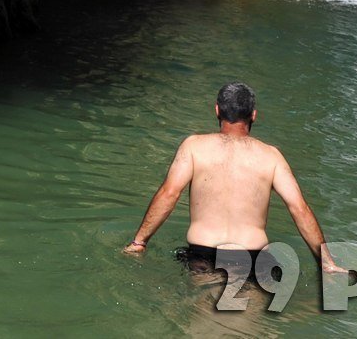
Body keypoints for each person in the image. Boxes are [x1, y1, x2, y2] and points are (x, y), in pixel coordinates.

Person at [123, 82, 342, 276]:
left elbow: (169, 194)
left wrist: (139, 242)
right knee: (250, 320)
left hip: (203, 256)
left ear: (217, 110)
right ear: (253, 115)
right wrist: (327, 263)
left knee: (203, 318)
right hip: (254, 260)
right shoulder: (271, 156)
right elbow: (299, 208)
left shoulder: (193, 146)